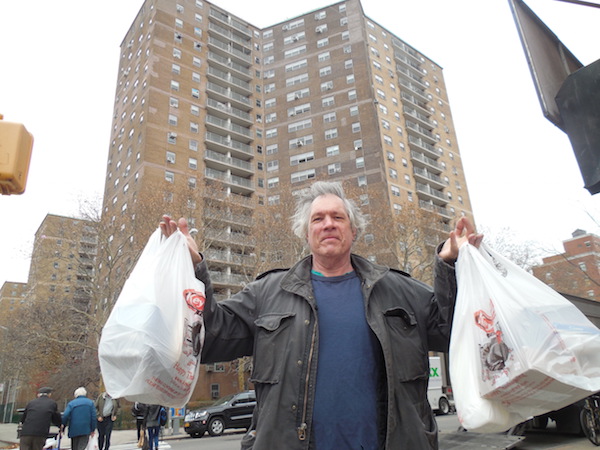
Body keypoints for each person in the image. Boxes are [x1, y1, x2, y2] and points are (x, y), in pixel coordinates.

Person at [160, 181, 483, 450]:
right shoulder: (268, 294)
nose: (328, 224)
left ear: (353, 230)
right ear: (305, 233)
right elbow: (210, 339)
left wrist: (451, 265)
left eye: (337, 217)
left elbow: (453, 334)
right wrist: (192, 269)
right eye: (318, 219)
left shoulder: (399, 290)